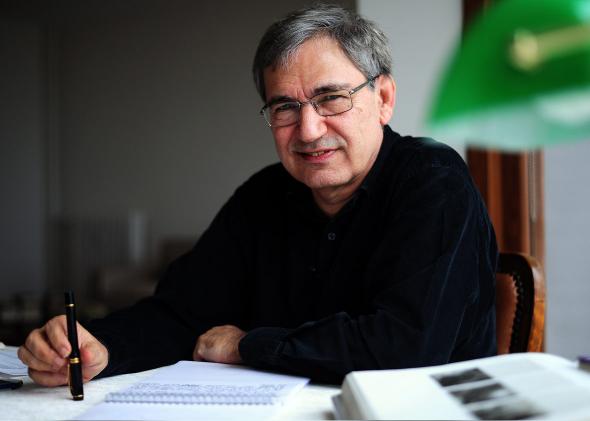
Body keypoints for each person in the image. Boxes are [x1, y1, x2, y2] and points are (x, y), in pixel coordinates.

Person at [18, 4, 497, 386]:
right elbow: (181, 313)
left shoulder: (434, 180)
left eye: (331, 99)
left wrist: (247, 345)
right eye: (285, 107)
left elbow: (405, 347)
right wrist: (98, 346)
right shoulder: (264, 195)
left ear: (384, 99)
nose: (308, 130)